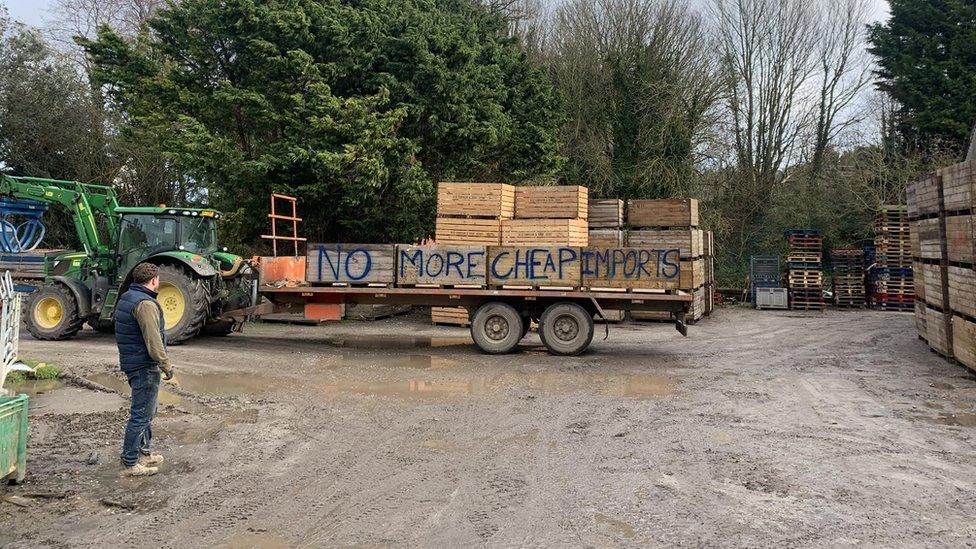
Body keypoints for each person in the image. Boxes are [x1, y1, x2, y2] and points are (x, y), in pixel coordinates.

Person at [115, 262, 174, 477]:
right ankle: (130, 463)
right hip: (143, 365)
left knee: (147, 412)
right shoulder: (146, 304)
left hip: (133, 361)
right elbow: (153, 340)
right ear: (154, 281)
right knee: (140, 414)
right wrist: (166, 365)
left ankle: (143, 453)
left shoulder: (128, 296)